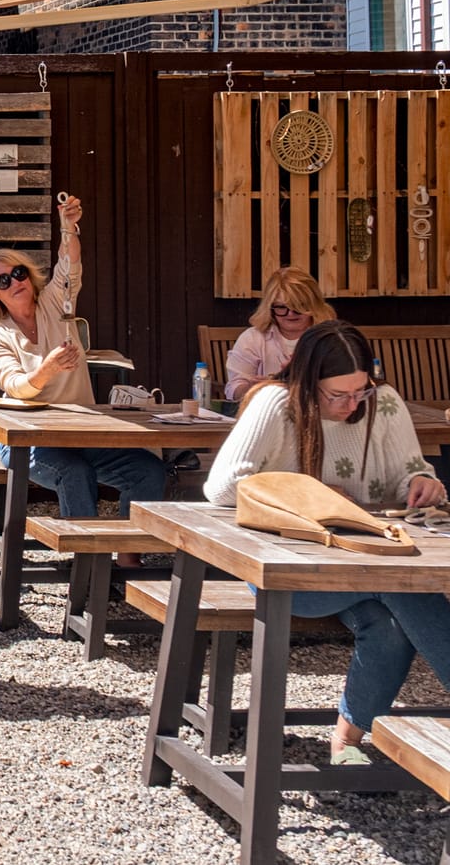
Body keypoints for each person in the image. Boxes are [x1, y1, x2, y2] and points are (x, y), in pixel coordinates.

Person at [205, 321, 450, 765]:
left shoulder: (385, 404)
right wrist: (310, 496)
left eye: (361, 391)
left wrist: (422, 481)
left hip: (369, 565)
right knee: (406, 587)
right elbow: (222, 488)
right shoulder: (276, 404)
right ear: (307, 382)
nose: (352, 404)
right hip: (292, 574)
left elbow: (409, 471)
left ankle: (347, 743)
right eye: (337, 395)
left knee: (390, 626)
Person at [0, 197, 166, 557]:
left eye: (18, 273)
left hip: (83, 430)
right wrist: (48, 367)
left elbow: (70, 264)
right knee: (74, 472)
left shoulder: (53, 304)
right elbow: (15, 386)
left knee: (149, 471)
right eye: (3, 280)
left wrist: (68, 225)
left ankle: (128, 558)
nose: (14, 281)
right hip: (31, 441)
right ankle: (88, 571)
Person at [225, 266, 336, 401]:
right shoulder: (253, 338)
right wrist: (252, 389)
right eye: (281, 307)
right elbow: (234, 389)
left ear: (314, 305)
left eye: (298, 307)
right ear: (270, 308)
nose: (290, 314)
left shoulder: (330, 338)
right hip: (267, 412)